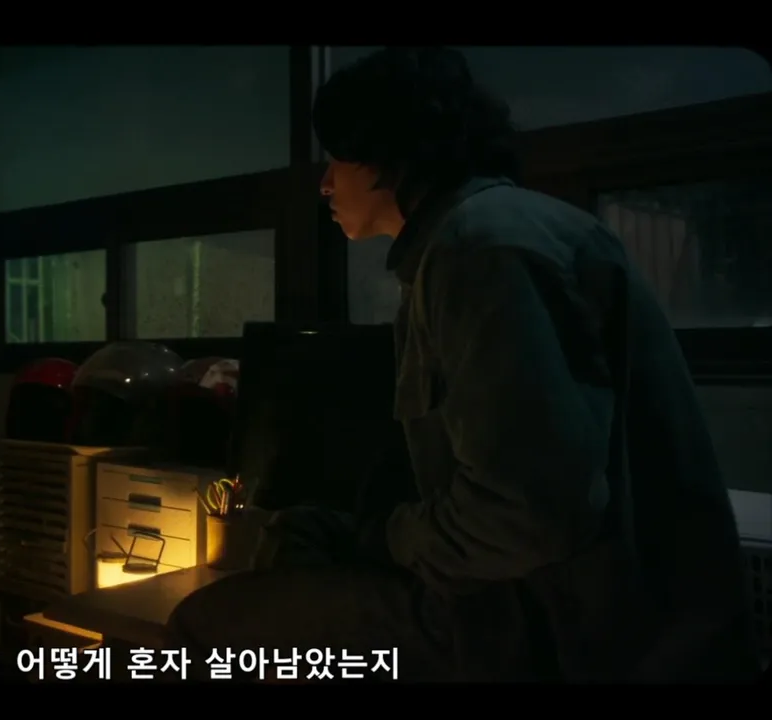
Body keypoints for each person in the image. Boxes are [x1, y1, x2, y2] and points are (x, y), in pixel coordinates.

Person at [166, 47, 759, 682]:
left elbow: (527, 515)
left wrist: (388, 538)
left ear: (388, 153)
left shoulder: (482, 249)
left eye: (337, 158)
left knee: (203, 628)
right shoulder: (477, 240)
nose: (325, 183)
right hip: (561, 602)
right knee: (301, 539)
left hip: (570, 630)